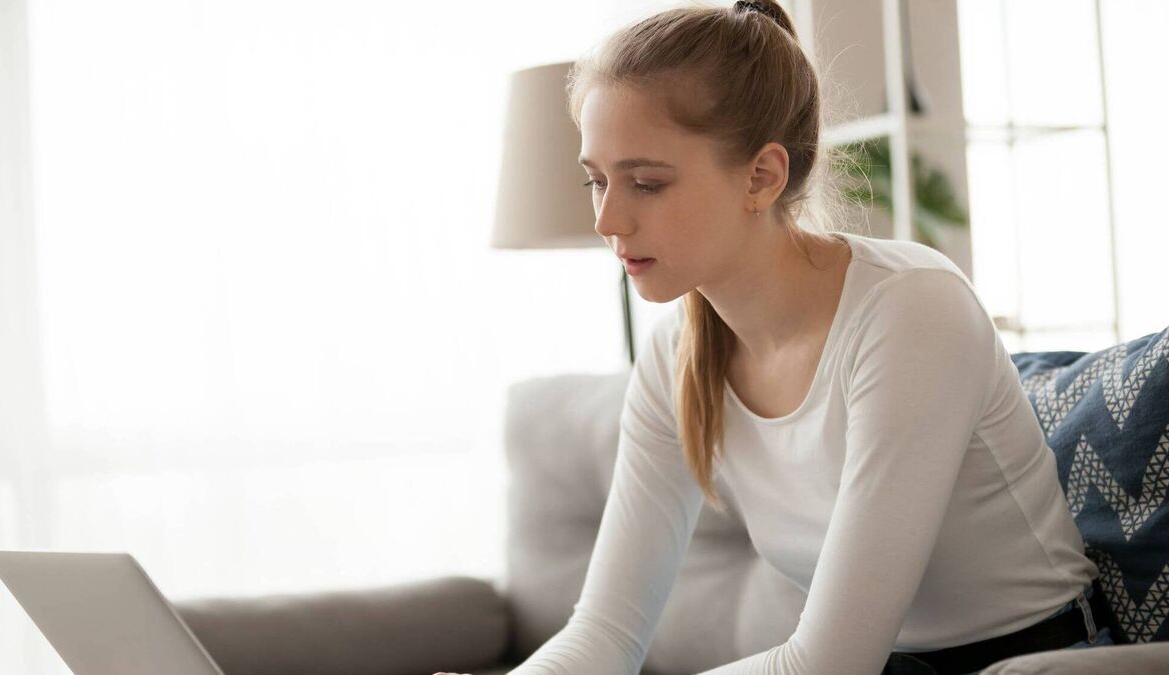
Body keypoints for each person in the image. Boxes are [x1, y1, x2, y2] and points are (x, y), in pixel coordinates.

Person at [439, 1, 1115, 673]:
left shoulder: (909, 311)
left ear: (761, 176)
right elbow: (605, 634)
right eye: (596, 181)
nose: (607, 219)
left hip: (1030, 661)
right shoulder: (676, 355)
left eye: (646, 183)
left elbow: (828, 663)